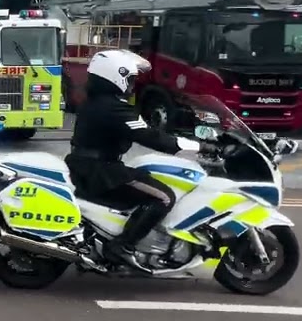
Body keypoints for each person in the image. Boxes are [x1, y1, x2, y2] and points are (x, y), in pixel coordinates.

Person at [64, 49, 212, 271]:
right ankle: (123, 246)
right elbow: (148, 135)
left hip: (92, 165)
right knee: (164, 197)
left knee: (147, 177)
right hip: (101, 170)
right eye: (130, 79)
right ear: (115, 75)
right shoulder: (113, 107)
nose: (132, 85)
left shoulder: (100, 102)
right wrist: (198, 146)